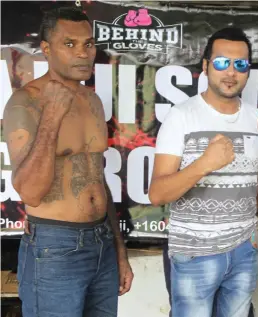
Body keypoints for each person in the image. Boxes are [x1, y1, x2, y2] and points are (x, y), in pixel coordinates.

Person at [3, 7, 134, 317]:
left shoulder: (92, 101)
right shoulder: (25, 103)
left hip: (101, 241)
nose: (83, 53)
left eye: (88, 44)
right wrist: (51, 120)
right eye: (70, 44)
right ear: (47, 49)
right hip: (55, 247)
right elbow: (30, 192)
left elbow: (97, 177)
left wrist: (118, 247)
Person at [149, 27, 258, 317]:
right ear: (205, 66)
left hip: (244, 252)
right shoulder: (182, 116)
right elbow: (158, 193)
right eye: (222, 62)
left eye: (241, 64)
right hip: (195, 254)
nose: (231, 72)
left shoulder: (257, 120)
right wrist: (204, 164)